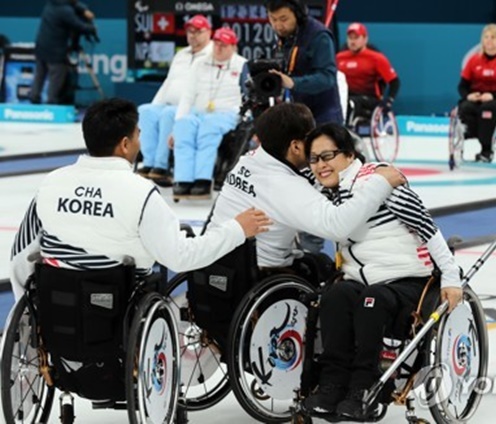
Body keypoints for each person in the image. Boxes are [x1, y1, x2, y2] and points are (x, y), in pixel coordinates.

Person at [9, 98, 271, 300]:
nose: (139, 141)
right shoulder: (140, 193)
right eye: (137, 135)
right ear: (125, 144)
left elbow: (21, 254)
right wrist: (237, 228)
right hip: (119, 306)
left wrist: (29, 305)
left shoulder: (50, 183)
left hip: (57, 304)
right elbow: (180, 258)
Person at [301, 123, 463, 418]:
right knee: (335, 296)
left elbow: (427, 228)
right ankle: (333, 384)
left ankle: (365, 387)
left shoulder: (379, 179)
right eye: (314, 159)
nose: (320, 165)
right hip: (359, 280)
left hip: (407, 278)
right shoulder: (326, 186)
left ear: (349, 154)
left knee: (372, 299)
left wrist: (451, 277)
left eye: (328, 156)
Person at [208, 102, 406, 279]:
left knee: (318, 261)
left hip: (217, 263)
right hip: (260, 273)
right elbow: (337, 226)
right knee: (338, 275)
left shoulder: (249, 159)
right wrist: (380, 182)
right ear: (295, 146)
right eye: (310, 136)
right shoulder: (284, 186)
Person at [171, 27, 248, 199]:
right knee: (184, 126)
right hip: (199, 112)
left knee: (208, 128)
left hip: (227, 113)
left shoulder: (242, 65)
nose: (219, 48)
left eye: (224, 45)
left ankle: (203, 180)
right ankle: (183, 180)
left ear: (233, 47)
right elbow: (187, 96)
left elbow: (248, 97)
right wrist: (176, 125)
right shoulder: (200, 63)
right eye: (217, 44)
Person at [137, 14, 214, 185]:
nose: (193, 35)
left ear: (209, 32)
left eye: (198, 31)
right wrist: (154, 104)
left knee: (168, 114)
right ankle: (148, 162)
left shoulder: (213, 54)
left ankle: (161, 166)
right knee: (146, 110)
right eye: (190, 31)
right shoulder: (181, 55)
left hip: (195, 108)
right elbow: (168, 83)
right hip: (170, 104)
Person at [265, 0, 343, 125]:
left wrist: (293, 82)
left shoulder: (319, 36)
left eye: (283, 19)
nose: (278, 25)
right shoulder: (284, 37)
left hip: (323, 115)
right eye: (272, 19)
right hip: (296, 114)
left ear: (298, 14)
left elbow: (327, 77)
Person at [457, 23, 496, 163]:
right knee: (466, 107)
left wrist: (493, 96)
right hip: (476, 99)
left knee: (487, 110)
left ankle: (486, 149)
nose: (489, 40)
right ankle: (470, 134)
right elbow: (462, 86)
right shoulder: (474, 60)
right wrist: (469, 95)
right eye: (486, 37)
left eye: (493, 37)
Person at [30, 0, 97, 105]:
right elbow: (78, 26)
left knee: (39, 74)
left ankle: (34, 98)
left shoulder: (51, 4)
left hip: (41, 47)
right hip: (55, 51)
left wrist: (84, 10)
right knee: (57, 76)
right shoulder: (66, 11)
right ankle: (51, 102)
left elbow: (74, 4)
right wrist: (92, 28)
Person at [336, 22, 400, 122]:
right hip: (346, 96)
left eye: (356, 38)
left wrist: (389, 101)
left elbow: (394, 82)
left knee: (351, 103)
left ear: (365, 39)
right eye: (350, 38)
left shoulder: (376, 58)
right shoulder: (339, 58)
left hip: (369, 98)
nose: (352, 41)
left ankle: (347, 129)